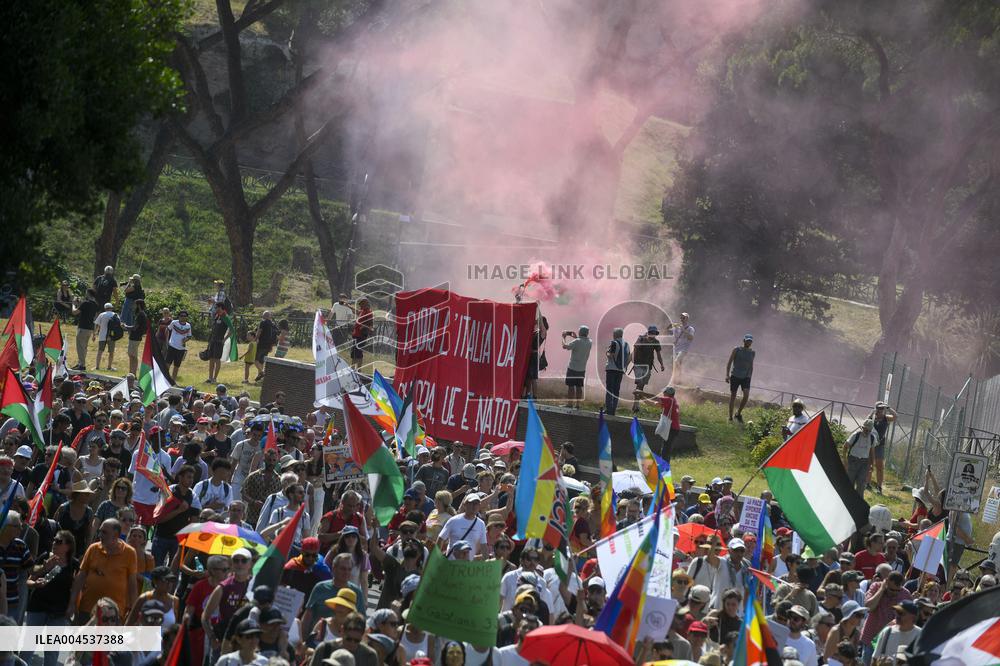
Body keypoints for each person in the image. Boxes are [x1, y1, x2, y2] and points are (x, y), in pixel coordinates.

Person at [67, 518, 137, 625]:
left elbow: (132, 584)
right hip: (87, 609)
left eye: (104, 532)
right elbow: (80, 577)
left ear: (116, 535)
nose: (100, 535)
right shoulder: (93, 548)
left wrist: (133, 611)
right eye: (100, 531)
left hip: (113, 614)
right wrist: (72, 603)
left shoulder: (129, 553)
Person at [866, 401, 897, 494]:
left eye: (882, 408)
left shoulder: (886, 418)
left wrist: (888, 408)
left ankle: (879, 487)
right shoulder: (872, 417)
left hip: (880, 445)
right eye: (879, 408)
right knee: (869, 464)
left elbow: (895, 416)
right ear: (876, 409)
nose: (881, 410)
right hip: (870, 444)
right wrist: (872, 412)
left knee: (879, 466)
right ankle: (867, 483)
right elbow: (866, 422)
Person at [561, 325, 592, 409]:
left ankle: (570, 404)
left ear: (580, 332)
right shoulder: (590, 342)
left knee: (571, 386)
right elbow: (582, 342)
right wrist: (576, 337)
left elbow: (565, 346)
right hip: (582, 369)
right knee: (579, 387)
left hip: (572, 368)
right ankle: (578, 404)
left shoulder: (577, 341)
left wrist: (563, 337)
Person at [725, 334, 755, 422]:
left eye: (750, 341)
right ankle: (730, 417)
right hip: (735, 375)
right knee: (733, 396)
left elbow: (751, 365)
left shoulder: (752, 352)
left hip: (746, 377)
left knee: (746, 395)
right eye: (747, 341)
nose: (748, 342)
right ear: (744, 341)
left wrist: (750, 376)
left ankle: (738, 413)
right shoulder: (736, 350)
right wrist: (727, 375)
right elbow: (729, 362)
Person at [844, 420, 878, 497]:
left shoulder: (872, 438)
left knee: (861, 483)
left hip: (864, 462)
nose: (867, 432)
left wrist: (872, 464)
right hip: (853, 460)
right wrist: (845, 460)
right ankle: (847, 498)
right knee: (850, 482)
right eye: (866, 430)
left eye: (869, 430)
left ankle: (858, 500)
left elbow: (872, 452)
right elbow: (845, 446)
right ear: (862, 428)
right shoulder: (855, 435)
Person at [71, 289, 100, 370]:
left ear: (88, 294)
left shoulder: (85, 303)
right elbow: (94, 317)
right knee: (84, 347)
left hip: (83, 328)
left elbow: (74, 312)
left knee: (80, 347)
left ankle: (82, 365)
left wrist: (73, 304)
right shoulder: (96, 305)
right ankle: (80, 363)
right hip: (90, 328)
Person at [604, 327, 630, 416]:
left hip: (611, 369)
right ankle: (613, 410)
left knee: (609, 390)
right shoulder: (627, 344)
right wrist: (625, 367)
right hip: (620, 370)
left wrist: (607, 352)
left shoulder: (614, 343)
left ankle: (608, 409)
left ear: (615, 335)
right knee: (616, 391)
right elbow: (629, 358)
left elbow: (610, 355)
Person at [165, 310, 193, 382]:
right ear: (179, 316)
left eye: (185, 316)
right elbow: (167, 329)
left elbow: (189, 336)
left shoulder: (188, 325)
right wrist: (167, 341)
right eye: (181, 316)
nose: (183, 317)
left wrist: (185, 340)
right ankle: (164, 379)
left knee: (176, 366)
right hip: (172, 346)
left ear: (186, 317)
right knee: (167, 363)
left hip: (181, 349)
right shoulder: (174, 322)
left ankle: (173, 381)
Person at [124, 299, 149, 375]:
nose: (133, 306)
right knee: (131, 355)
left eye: (135, 305)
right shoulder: (141, 314)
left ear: (138, 305)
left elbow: (135, 327)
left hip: (135, 337)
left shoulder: (141, 315)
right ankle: (131, 373)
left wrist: (125, 326)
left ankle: (133, 373)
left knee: (133, 355)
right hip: (135, 337)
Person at [94, 302, 121, 371]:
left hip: (102, 335)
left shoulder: (102, 315)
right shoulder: (115, 315)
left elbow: (97, 325)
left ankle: (97, 367)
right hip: (111, 336)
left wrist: (94, 334)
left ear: (105, 308)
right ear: (111, 308)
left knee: (100, 351)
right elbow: (119, 325)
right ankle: (109, 367)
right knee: (111, 352)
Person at [205, 308, 229, 384]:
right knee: (211, 359)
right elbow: (213, 330)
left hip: (219, 342)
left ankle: (214, 379)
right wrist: (209, 341)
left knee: (217, 359)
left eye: (218, 308)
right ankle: (210, 378)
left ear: (222, 308)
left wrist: (224, 339)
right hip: (213, 341)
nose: (216, 309)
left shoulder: (226, 318)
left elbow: (232, 330)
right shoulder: (216, 317)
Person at [671, 312, 695, 385]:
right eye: (681, 317)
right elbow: (670, 333)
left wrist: (683, 330)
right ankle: (677, 380)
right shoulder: (677, 327)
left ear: (687, 319)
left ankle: (679, 378)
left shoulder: (690, 328)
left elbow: (691, 338)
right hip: (676, 349)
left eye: (683, 318)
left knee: (676, 362)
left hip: (684, 349)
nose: (682, 319)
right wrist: (671, 325)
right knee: (676, 364)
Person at [254, 312, 279, 381]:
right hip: (268, 345)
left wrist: (255, 339)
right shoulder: (273, 324)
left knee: (255, 360)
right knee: (261, 361)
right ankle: (259, 376)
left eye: (263, 315)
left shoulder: (263, 322)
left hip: (262, 343)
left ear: (264, 316)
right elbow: (276, 335)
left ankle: (262, 373)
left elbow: (259, 331)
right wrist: (272, 345)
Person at [351, 299, 374, 370]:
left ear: (365, 304)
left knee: (358, 353)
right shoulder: (362, 311)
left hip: (361, 336)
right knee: (354, 352)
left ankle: (358, 369)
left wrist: (363, 326)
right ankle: (353, 368)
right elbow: (356, 311)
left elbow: (370, 325)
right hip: (356, 335)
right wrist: (348, 306)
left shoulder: (369, 312)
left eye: (361, 304)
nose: (360, 306)